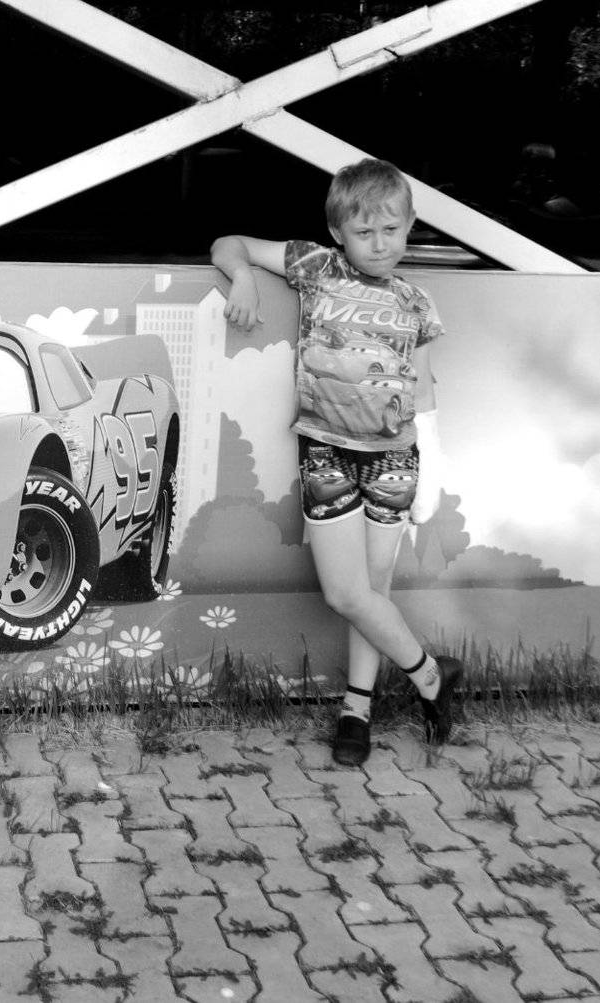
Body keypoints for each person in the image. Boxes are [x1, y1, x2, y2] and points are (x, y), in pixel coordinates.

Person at [209, 157, 462, 766]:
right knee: (347, 593)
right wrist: (242, 278)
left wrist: (432, 467)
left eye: (392, 230)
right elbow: (228, 242)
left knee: (374, 590)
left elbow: (424, 390)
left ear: (410, 226)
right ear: (337, 232)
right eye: (364, 232)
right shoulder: (316, 266)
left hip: (393, 459)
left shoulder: (416, 302)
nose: (380, 244)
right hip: (326, 452)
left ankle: (357, 708)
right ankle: (431, 675)